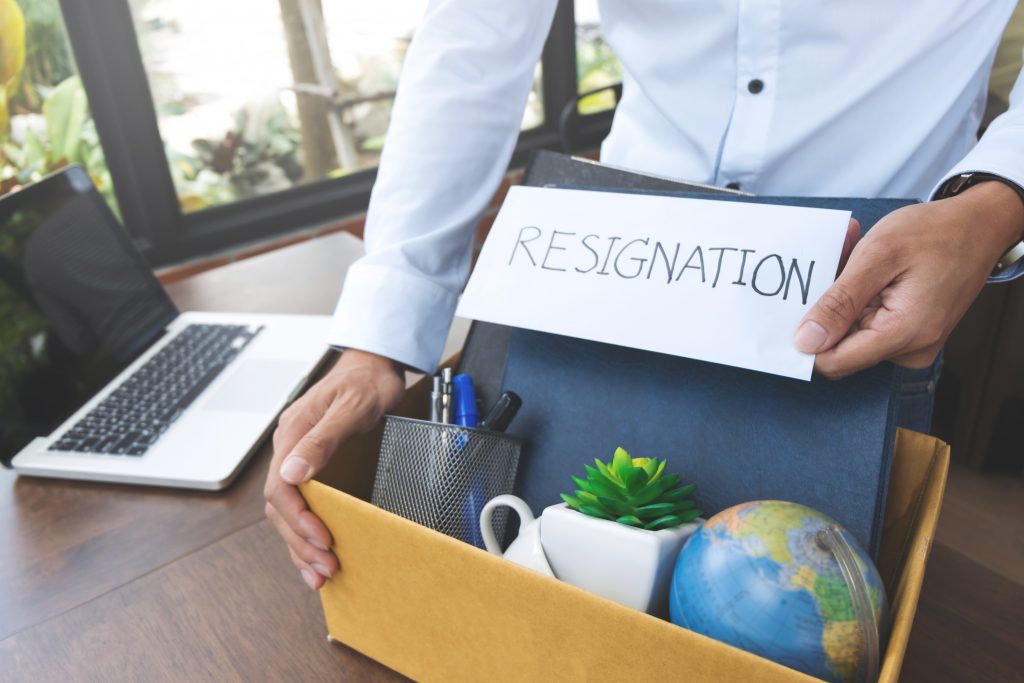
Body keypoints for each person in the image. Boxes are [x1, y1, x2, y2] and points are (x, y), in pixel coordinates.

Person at [264, 1, 1024, 591]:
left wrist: (996, 204)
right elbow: (471, 43)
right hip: (608, 272)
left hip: (864, 294)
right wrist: (380, 339)